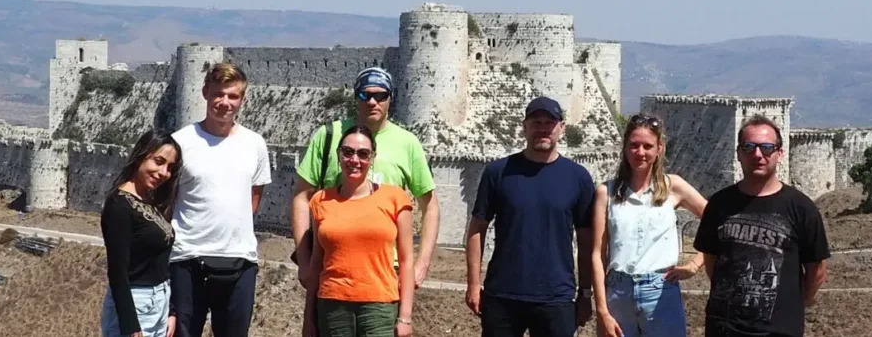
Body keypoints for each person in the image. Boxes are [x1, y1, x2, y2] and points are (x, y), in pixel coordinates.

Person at [291, 66, 439, 289]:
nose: (372, 102)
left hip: (387, 270)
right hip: (330, 267)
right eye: (365, 95)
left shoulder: (407, 143)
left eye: (381, 95)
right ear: (356, 97)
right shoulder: (328, 136)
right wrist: (304, 262)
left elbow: (431, 207)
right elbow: (301, 198)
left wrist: (421, 264)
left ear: (390, 98)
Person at [465, 96, 595, 337]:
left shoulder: (578, 178)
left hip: (557, 297)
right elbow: (476, 228)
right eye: (536, 122)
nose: (543, 129)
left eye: (550, 123)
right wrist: (473, 283)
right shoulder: (498, 172)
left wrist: (585, 293)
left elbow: (587, 240)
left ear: (561, 128)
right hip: (502, 295)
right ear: (524, 127)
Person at [694, 114, 830, 337]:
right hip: (724, 329)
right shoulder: (719, 204)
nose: (757, 154)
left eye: (767, 147)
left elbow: (817, 270)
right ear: (738, 153)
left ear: (780, 153)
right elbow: (712, 261)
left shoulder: (802, 208)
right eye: (749, 147)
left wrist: (792, 306)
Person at [168, 63, 272, 337]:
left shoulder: (255, 144)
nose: (225, 103)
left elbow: (254, 197)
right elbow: (168, 199)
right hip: (188, 257)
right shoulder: (180, 142)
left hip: (239, 259)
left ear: (242, 99)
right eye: (218, 94)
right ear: (205, 93)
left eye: (233, 96)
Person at [591, 114, 709, 337]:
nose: (640, 152)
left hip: (661, 291)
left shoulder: (673, 186)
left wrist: (694, 264)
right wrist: (602, 311)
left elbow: (716, 221)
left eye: (648, 146)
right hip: (618, 292)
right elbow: (598, 254)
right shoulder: (606, 193)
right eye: (634, 145)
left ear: (659, 149)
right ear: (625, 148)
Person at [303, 125, 415, 337]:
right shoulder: (320, 200)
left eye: (363, 154)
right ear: (339, 155)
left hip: (379, 307)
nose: (355, 160)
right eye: (347, 152)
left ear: (372, 158)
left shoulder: (395, 198)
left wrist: (405, 317)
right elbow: (317, 261)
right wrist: (308, 318)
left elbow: (407, 260)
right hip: (332, 306)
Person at [100, 130, 182, 337]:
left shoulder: (150, 201)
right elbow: (118, 272)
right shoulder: (119, 205)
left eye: (170, 167)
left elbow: (159, 261)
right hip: (136, 305)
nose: (163, 172)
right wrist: (130, 326)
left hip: (158, 303)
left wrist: (170, 311)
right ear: (141, 156)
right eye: (158, 161)